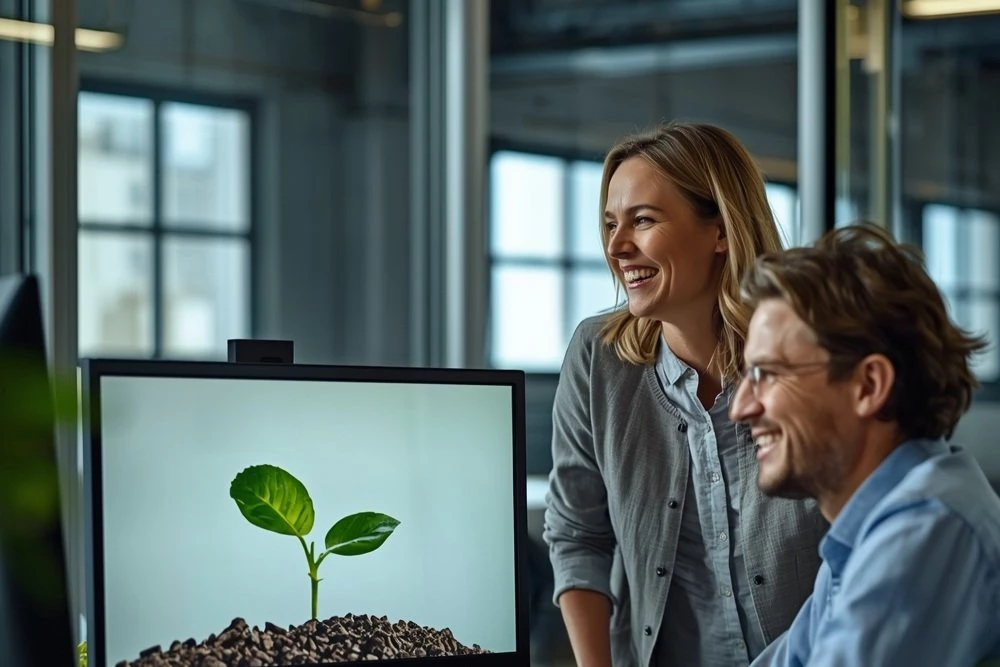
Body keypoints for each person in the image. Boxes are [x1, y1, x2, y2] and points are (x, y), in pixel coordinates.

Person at [543, 121, 828, 667]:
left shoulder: (809, 354)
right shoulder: (597, 356)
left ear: (720, 230)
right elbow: (577, 535)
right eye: (609, 224)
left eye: (643, 221)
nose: (616, 246)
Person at [730, 223, 1000, 666]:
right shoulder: (861, 537)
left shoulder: (927, 529)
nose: (740, 408)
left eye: (768, 374)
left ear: (868, 384)